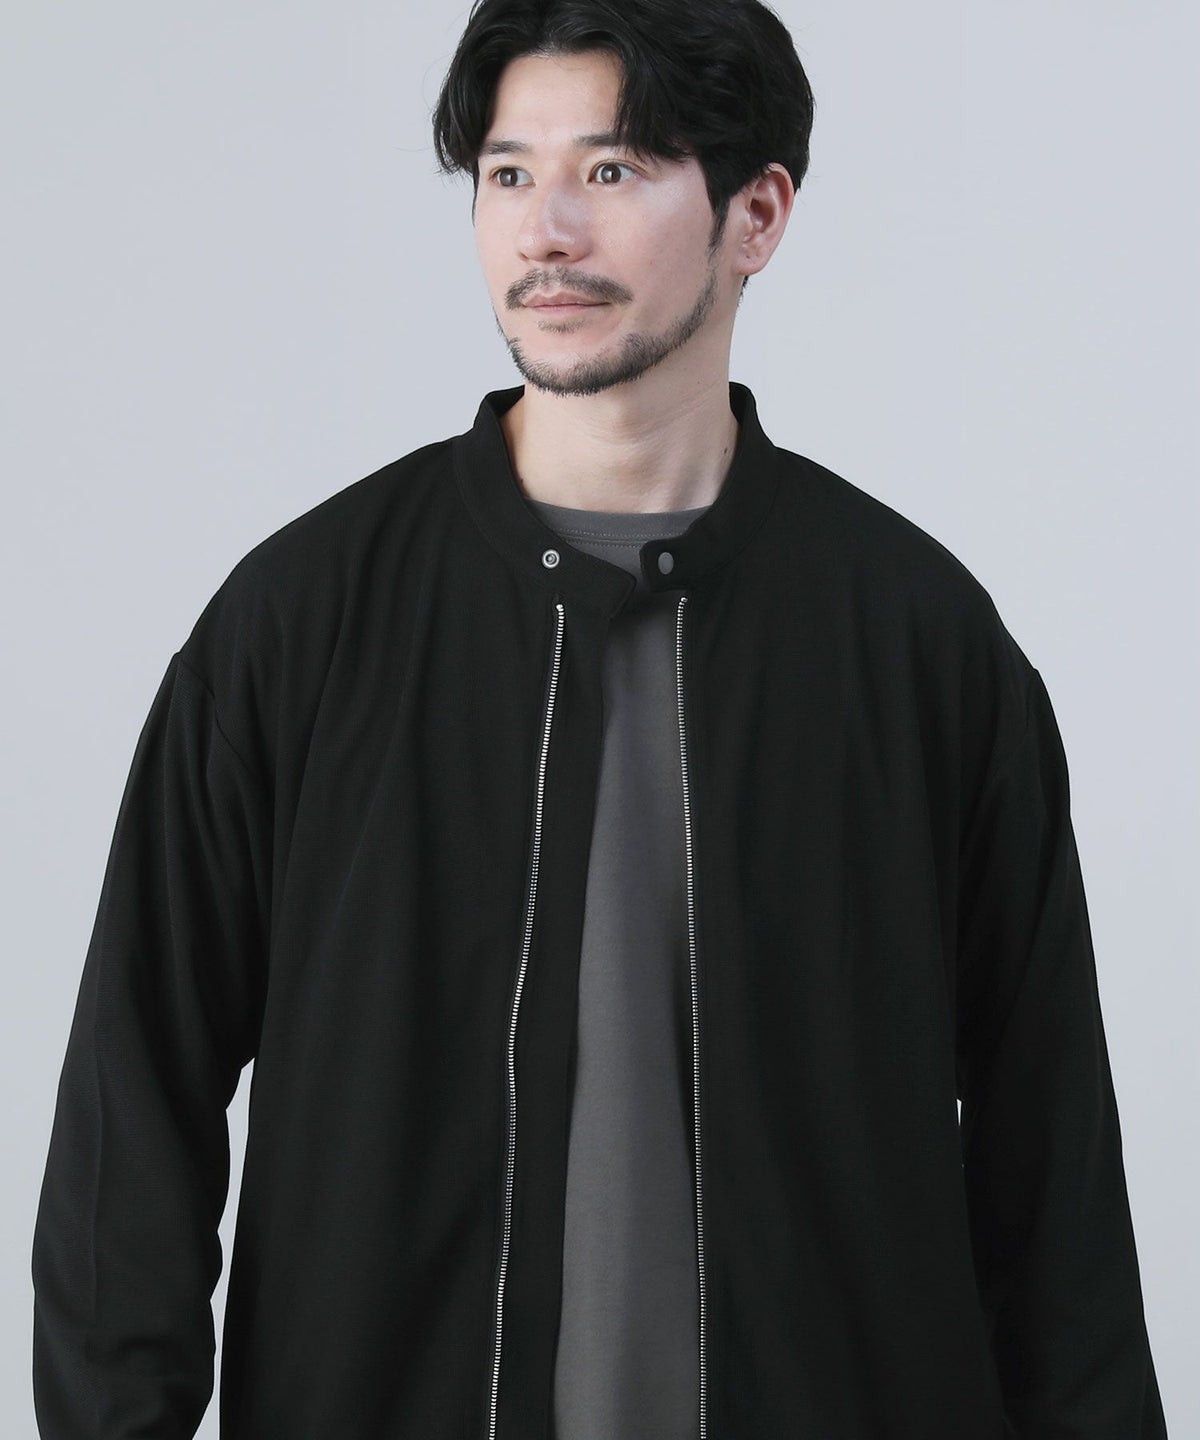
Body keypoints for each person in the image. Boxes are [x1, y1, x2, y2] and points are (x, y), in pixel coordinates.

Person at [31, 1, 1168, 1436]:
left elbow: (1052, 1178)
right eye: (509, 173)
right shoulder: (304, 623)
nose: (546, 231)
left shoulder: (916, 643)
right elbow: (130, 1119)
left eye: (613, 170)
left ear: (758, 215)